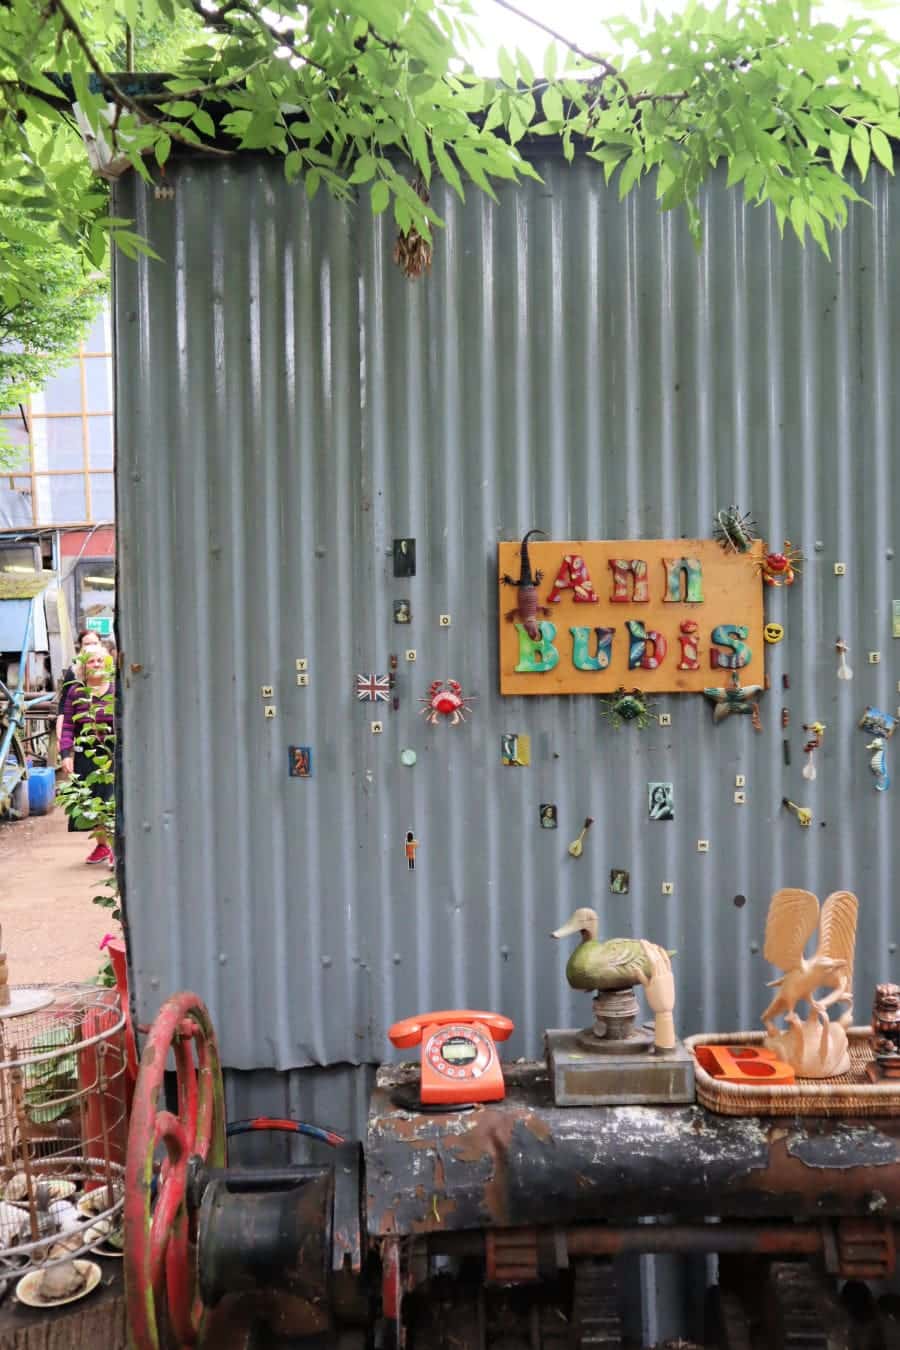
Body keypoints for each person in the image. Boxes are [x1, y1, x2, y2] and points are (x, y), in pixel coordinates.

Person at [59, 645, 116, 865]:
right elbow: (68, 727)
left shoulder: (115, 690)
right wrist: (66, 754)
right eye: (91, 661)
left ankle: (116, 849)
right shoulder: (76, 692)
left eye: (100, 660)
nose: (96, 664)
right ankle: (103, 846)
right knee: (93, 803)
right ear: (83, 667)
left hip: (111, 754)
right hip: (86, 756)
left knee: (111, 800)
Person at [55, 630, 102, 751]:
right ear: (80, 647)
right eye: (87, 644)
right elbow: (64, 703)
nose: (91, 647)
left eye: (95, 643)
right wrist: (60, 730)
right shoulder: (73, 672)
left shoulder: (109, 671)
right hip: (82, 731)